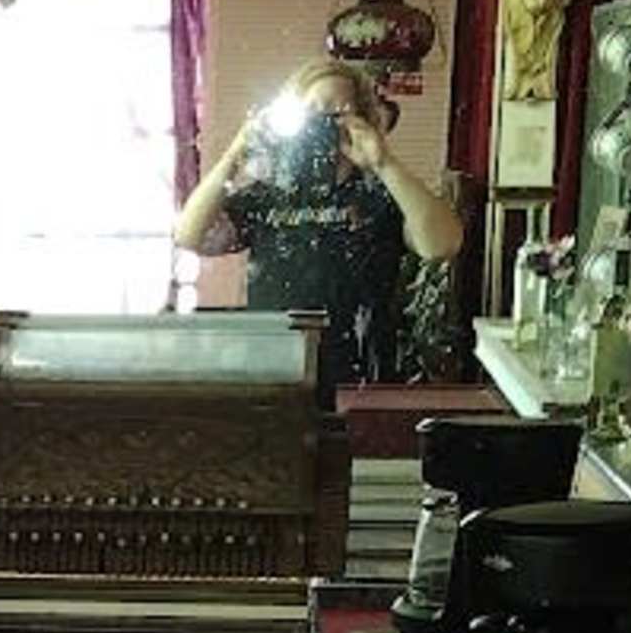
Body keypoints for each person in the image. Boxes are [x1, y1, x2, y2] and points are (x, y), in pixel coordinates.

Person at [173, 60, 472, 390]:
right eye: (310, 111)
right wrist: (235, 153)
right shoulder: (266, 196)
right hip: (278, 374)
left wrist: (383, 162)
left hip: (362, 377)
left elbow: (443, 244)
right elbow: (189, 236)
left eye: (337, 111)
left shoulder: (381, 195)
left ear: (362, 120)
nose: (321, 121)